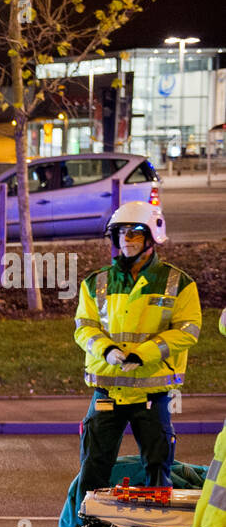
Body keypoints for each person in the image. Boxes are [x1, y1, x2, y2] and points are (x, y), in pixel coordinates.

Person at [72, 201, 201, 498]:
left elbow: (188, 331)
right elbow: (84, 328)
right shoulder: (96, 283)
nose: (126, 240)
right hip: (107, 390)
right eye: (120, 234)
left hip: (152, 394)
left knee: (158, 467)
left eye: (134, 233)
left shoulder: (178, 283)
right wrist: (106, 351)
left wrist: (145, 353)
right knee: (93, 465)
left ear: (152, 236)